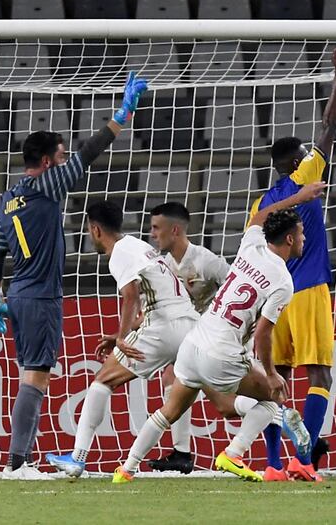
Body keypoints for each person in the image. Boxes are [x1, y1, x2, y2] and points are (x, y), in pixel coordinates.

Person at [0, 72, 147, 480]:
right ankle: (18, 463)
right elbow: (89, 152)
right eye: (59, 156)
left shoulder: (7, 199)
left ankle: (20, 459)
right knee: (36, 378)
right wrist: (122, 114)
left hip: (18, 294)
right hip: (40, 297)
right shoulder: (47, 186)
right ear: (45, 162)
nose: (64, 161)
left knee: (31, 374)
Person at [112, 183, 326, 484]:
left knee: (168, 411)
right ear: (290, 239)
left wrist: (299, 198)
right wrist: (272, 373)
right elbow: (264, 334)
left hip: (194, 343)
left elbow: (261, 215)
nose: (305, 238)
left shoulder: (252, 244)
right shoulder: (283, 281)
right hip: (222, 353)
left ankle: (126, 469)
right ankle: (235, 452)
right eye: (302, 233)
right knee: (272, 399)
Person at [248, 47, 336, 482]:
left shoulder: (261, 202)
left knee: (277, 377)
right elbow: (331, 126)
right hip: (308, 290)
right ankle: (304, 460)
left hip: (274, 298)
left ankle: (272, 465)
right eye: (306, 155)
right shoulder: (304, 176)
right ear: (296, 162)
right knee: (320, 373)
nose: (313, 155)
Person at [45, 200, 201, 477]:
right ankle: (272, 415)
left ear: (94, 230)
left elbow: (130, 294)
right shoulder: (140, 246)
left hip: (163, 327)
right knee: (214, 393)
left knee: (102, 381)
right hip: (190, 324)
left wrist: (123, 337)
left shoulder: (119, 253)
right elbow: (160, 291)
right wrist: (121, 333)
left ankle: (77, 457)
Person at [145, 202, 230, 473]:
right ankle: (181, 453)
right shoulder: (162, 265)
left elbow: (237, 288)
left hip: (215, 336)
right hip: (187, 337)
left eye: (156, 228)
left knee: (229, 402)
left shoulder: (206, 261)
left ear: (175, 230)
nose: (152, 234)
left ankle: (278, 416)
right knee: (172, 377)